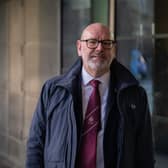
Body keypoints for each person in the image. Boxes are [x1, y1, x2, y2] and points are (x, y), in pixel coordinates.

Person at [26, 23, 155, 168]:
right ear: (79, 48)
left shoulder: (135, 95)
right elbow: (36, 144)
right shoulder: (53, 90)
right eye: (92, 42)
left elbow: (145, 152)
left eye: (106, 43)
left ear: (113, 49)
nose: (99, 48)